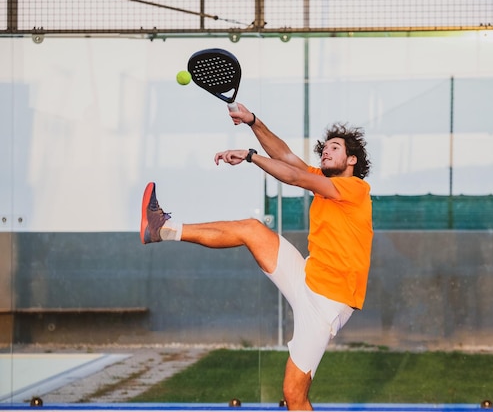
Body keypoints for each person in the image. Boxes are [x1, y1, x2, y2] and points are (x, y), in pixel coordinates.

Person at [140, 103, 373, 411]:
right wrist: (252, 121)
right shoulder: (325, 181)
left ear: (352, 159)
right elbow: (287, 157)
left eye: (334, 147)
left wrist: (250, 156)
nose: (325, 152)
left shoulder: (354, 188)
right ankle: (162, 229)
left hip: (327, 304)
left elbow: (294, 177)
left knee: (294, 396)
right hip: (308, 275)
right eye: (324, 148)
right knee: (251, 230)